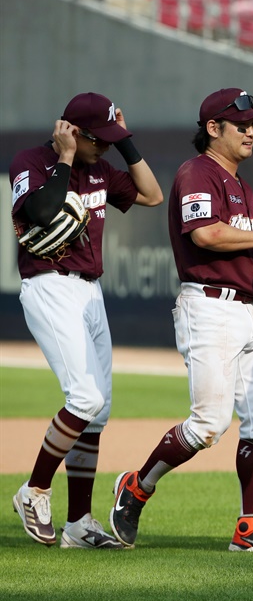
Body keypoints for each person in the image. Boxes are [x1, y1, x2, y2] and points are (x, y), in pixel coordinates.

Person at [108, 88, 253, 551]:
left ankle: (250, 528)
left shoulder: (243, 187)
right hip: (209, 307)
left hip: (251, 309)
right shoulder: (197, 172)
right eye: (242, 123)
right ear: (214, 129)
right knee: (209, 423)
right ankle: (136, 486)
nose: (252, 130)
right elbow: (207, 234)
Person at [10, 92, 163, 549]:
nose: (108, 147)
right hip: (50, 283)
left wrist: (127, 141)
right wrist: (66, 159)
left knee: (98, 414)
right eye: (102, 139)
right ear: (73, 131)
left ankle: (79, 524)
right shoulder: (31, 160)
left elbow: (153, 195)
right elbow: (39, 212)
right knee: (85, 398)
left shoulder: (101, 168)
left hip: (89, 290)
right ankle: (33, 490)